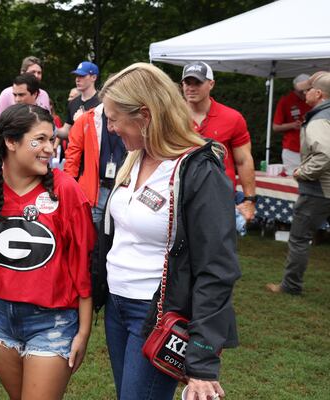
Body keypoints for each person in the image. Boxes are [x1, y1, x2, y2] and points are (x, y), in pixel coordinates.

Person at [99, 63, 240, 400]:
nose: (110, 127)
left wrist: (202, 362)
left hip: (156, 314)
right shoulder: (134, 157)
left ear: (144, 115)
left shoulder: (198, 170)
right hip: (117, 307)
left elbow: (217, 267)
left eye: (114, 117)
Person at [0, 104, 94, 400]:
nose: (49, 148)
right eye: (39, 140)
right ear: (11, 142)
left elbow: (82, 267)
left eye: (51, 140)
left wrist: (83, 332)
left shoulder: (66, 191)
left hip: (52, 320)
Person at [266, 72, 330, 296]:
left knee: (299, 237)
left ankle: (290, 286)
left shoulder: (319, 119)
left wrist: (303, 172)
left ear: (319, 93)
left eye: (309, 90)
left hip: (318, 188)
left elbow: (324, 154)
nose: (305, 93)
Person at [181, 61, 257, 221]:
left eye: (198, 82)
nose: (191, 87)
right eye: (187, 82)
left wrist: (250, 200)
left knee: (218, 245)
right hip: (180, 197)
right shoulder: (171, 117)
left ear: (211, 84)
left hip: (220, 199)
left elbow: (243, 161)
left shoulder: (232, 118)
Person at [63, 103, 126, 225]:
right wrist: (69, 192)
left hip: (122, 192)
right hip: (94, 194)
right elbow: (72, 157)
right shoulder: (87, 119)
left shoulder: (133, 118)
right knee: (92, 240)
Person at [272, 74, 312, 175]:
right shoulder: (286, 101)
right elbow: (275, 127)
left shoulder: (314, 100)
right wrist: (292, 125)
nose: (304, 93)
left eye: (307, 90)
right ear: (295, 88)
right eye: (301, 91)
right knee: (293, 181)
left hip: (312, 149)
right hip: (292, 150)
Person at [0, 56, 50, 121]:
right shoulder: (6, 93)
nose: (36, 75)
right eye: (33, 72)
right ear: (22, 73)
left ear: (35, 94)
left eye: (39, 73)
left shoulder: (44, 94)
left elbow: (49, 123)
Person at [56, 61, 101, 140]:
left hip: (96, 151)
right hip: (77, 151)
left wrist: (83, 120)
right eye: (76, 76)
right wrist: (51, 130)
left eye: (82, 76)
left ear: (94, 77)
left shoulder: (102, 101)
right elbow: (67, 130)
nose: (77, 79)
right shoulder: (73, 103)